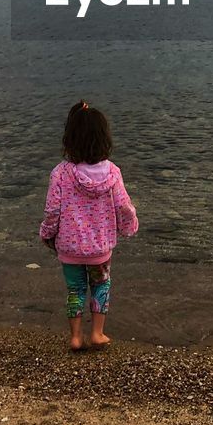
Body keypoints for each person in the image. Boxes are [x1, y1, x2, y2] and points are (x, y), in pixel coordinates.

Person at [39, 101, 139, 351]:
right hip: (100, 248)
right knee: (101, 285)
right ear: (104, 138)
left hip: (70, 248)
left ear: (69, 139)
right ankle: (97, 333)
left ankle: (75, 337)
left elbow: (52, 211)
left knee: (75, 289)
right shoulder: (113, 173)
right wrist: (129, 227)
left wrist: (47, 234)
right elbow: (124, 207)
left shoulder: (60, 173)